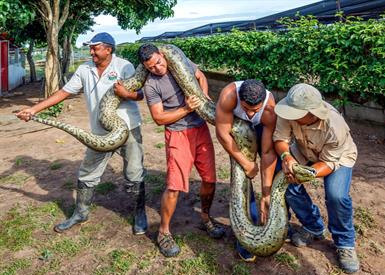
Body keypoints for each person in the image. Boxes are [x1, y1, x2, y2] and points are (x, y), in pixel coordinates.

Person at [16, 32, 148, 235]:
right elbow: (64, 92)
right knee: (87, 173)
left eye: (95, 47)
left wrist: (127, 94)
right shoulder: (84, 69)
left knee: (134, 172)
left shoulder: (124, 66)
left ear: (108, 49)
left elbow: (140, 94)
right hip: (99, 132)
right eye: (91, 48)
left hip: (128, 128)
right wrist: (35, 109)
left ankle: (140, 214)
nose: (91, 51)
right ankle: (81, 212)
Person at [138, 43, 225, 257]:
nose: (157, 69)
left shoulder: (180, 62)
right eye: (151, 68)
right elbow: (159, 118)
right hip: (177, 134)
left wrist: (202, 98)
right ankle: (163, 232)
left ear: (162, 55)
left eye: (158, 63)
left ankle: (206, 218)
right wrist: (187, 108)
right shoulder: (151, 86)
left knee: (210, 179)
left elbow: (201, 76)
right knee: (175, 186)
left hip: (200, 128)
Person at [273, 83, 359, 274]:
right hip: (303, 152)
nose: (288, 115)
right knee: (286, 183)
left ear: (312, 114)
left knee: (337, 196)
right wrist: (287, 158)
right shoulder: (289, 111)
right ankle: (313, 226)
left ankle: (345, 243)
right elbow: (280, 139)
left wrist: (305, 174)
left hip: (338, 159)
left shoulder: (334, 126)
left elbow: (328, 164)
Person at [215, 79, 277, 262]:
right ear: (239, 98)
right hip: (237, 130)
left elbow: (267, 152)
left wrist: (266, 192)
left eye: (254, 110)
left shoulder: (269, 110)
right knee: (242, 177)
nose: (250, 113)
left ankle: (275, 223)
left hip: (260, 128)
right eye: (245, 108)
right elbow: (223, 134)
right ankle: (245, 235)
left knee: (275, 175)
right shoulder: (228, 96)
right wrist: (246, 163)